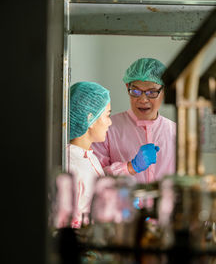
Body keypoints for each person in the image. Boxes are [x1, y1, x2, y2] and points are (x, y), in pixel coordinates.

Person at [92, 58, 176, 184]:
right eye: (135, 91)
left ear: (164, 91)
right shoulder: (108, 129)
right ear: (127, 87)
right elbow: (94, 177)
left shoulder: (175, 132)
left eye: (152, 92)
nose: (143, 99)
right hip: (123, 203)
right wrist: (130, 167)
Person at [66, 81, 112, 228]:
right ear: (89, 119)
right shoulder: (71, 167)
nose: (110, 122)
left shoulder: (89, 157)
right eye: (107, 115)